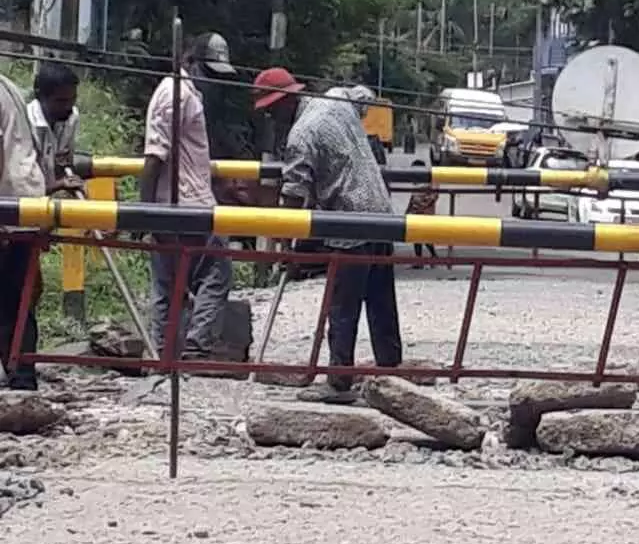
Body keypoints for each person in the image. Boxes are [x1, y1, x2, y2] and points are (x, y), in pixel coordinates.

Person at [252, 66, 403, 405]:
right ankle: (392, 372)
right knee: (381, 302)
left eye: (274, 110)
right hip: (381, 213)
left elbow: (294, 195)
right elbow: (364, 95)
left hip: (348, 222)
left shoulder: (301, 135)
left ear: (286, 103)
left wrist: (288, 249)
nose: (273, 118)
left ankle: (339, 380)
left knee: (342, 306)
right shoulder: (336, 99)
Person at [140, 32, 237, 361]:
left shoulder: (186, 94)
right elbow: (155, 156)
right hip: (183, 207)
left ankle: (163, 354)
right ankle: (193, 346)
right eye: (207, 72)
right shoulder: (176, 94)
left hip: (190, 202)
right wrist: (145, 212)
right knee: (215, 273)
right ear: (190, 62)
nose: (211, 81)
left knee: (171, 283)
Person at [0, 70, 49, 391]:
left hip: (9, 207)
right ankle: (21, 375)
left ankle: (21, 377)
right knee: (16, 298)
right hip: (23, 205)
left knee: (10, 297)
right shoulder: (6, 84)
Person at [26, 61, 83, 194]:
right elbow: (21, 186)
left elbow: (63, 162)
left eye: (73, 99)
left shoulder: (71, 117)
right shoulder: (26, 123)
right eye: (61, 101)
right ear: (39, 96)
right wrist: (59, 185)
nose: (68, 106)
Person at [405, 159, 439, 264]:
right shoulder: (416, 183)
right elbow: (412, 198)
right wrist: (408, 210)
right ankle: (419, 260)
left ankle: (433, 256)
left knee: (424, 236)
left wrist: (422, 207)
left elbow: (433, 197)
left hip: (425, 213)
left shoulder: (430, 182)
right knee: (416, 237)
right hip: (416, 212)